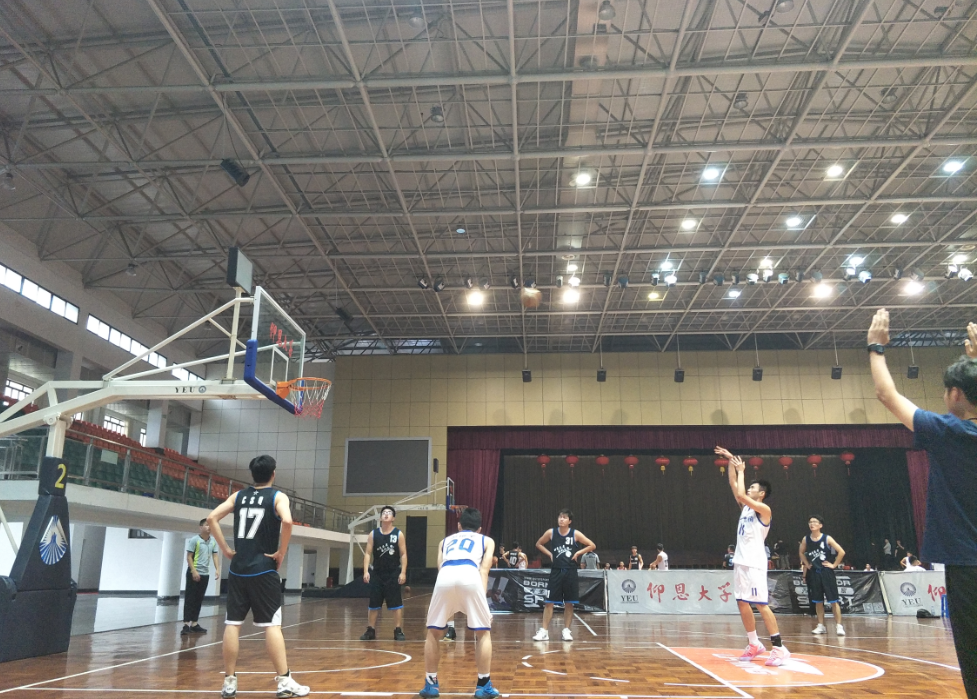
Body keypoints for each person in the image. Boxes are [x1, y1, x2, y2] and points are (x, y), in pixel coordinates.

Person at [867, 310, 977, 698]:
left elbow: (887, 394)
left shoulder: (947, 432)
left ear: (955, 394)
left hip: (968, 564)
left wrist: (876, 346)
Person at [206, 455, 309, 699]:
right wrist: (281, 551)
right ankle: (284, 681)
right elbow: (287, 521)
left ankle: (229, 683)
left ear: (252, 474)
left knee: (233, 624)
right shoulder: (278, 496)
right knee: (272, 625)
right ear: (273, 473)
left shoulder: (238, 496)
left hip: (238, 569)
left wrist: (226, 549)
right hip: (264, 568)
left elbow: (211, 519)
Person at [715, 446, 790, 667]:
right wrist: (731, 461)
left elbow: (740, 492)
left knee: (761, 604)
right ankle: (754, 643)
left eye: (753, 487)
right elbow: (733, 485)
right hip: (741, 561)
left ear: (761, 494)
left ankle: (779, 647)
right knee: (742, 602)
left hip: (755, 563)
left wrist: (742, 470)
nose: (748, 489)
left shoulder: (764, 510)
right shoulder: (746, 509)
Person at [419, 507, 498, 699]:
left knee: (433, 632)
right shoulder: (486, 540)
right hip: (470, 575)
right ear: (479, 528)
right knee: (483, 632)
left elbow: (440, 568)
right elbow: (484, 570)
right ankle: (483, 685)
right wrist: (484, 604)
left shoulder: (444, 541)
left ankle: (430, 684)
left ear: (459, 525)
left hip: (445, 576)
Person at [532, 509, 596, 642]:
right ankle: (544, 631)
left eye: (564, 517)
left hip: (570, 571)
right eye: (560, 517)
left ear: (569, 521)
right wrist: (549, 554)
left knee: (569, 603)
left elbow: (592, 545)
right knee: (549, 602)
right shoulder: (551, 532)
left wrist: (578, 553)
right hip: (556, 571)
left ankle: (566, 630)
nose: (561, 519)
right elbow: (539, 544)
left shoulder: (575, 534)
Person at [360, 505, 408, 641]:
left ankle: (398, 630)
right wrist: (366, 571)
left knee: (396, 604)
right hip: (377, 574)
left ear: (393, 518)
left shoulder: (398, 534)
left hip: (393, 573)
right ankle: (370, 630)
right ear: (380, 517)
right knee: (373, 604)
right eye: (384, 513)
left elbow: (403, 554)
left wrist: (403, 572)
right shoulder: (373, 534)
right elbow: (367, 553)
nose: (386, 514)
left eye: (389, 513)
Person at [799, 515, 846, 636]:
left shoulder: (827, 538)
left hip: (826, 572)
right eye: (810, 522)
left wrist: (834, 565)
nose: (812, 524)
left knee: (833, 600)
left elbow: (841, 552)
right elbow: (801, 552)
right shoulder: (806, 539)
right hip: (814, 573)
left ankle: (839, 626)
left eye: (814, 522)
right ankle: (821, 625)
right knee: (818, 601)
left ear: (820, 525)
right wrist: (807, 564)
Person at [182, 518, 221, 635]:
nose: (209, 527)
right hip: (193, 573)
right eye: (206, 525)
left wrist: (217, 569)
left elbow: (215, 556)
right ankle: (186, 624)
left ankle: (194, 623)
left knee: (199, 599)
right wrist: (194, 571)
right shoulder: (195, 540)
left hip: (205, 574)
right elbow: (189, 557)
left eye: (210, 525)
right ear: (200, 527)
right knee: (190, 598)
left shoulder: (213, 541)